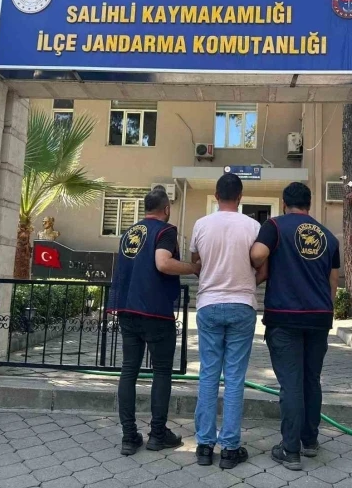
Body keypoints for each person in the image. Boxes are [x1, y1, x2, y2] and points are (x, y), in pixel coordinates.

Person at [250, 182, 340, 471]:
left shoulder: (275, 227)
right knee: (311, 380)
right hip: (319, 316)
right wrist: (327, 312)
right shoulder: (328, 236)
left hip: (285, 316)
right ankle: (310, 441)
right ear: (309, 205)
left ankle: (290, 450)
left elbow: (257, 255)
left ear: (283, 202)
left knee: (290, 384)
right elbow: (333, 281)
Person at [107, 186, 200, 456]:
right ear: (166, 209)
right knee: (161, 371)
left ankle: (129, 436)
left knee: (129, 370)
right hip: (155, 312)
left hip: (127, 309)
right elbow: (163, 263)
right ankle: (158, 434)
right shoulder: (166, 231)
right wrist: (193, 268)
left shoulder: (130, 232)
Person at [190, 173, 265, 469]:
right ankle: (230, 449)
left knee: (208, 374)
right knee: (234, 377)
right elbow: (263, 267)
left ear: (216, 195)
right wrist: (246, 284)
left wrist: (211, 278)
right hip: (242, 306)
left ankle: (204, 446)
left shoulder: (201, 224)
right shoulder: (253, 226)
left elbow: (196, 263)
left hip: (208, 304)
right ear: (241, 196)